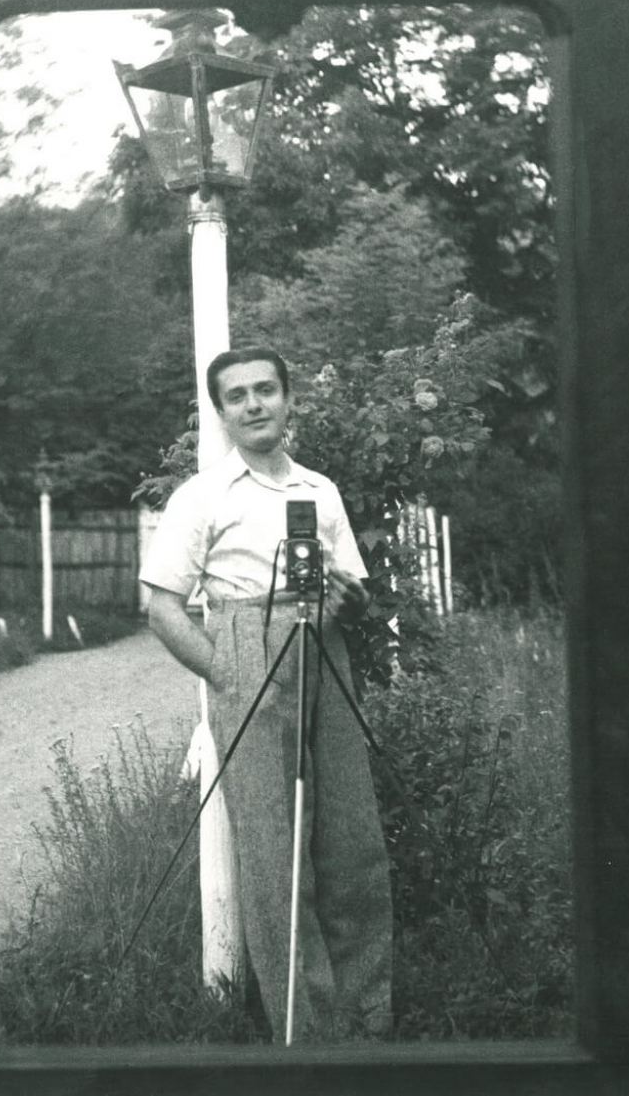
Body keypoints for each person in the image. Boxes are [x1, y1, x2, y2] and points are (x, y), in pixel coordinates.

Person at [139, 344, 393, 1042]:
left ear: (288, 399)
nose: (254, 404)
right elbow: (161, 607)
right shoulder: (203, 496)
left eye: (266, 390)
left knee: (352, 835)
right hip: (246, 647)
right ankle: (304, 1028)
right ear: (221, 412)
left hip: (324, 646)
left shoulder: (320, 489)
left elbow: (355, 588)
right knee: (275, 849)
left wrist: (351, 601)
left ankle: (367, 1015)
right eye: (238, 395)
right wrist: (227, 673)